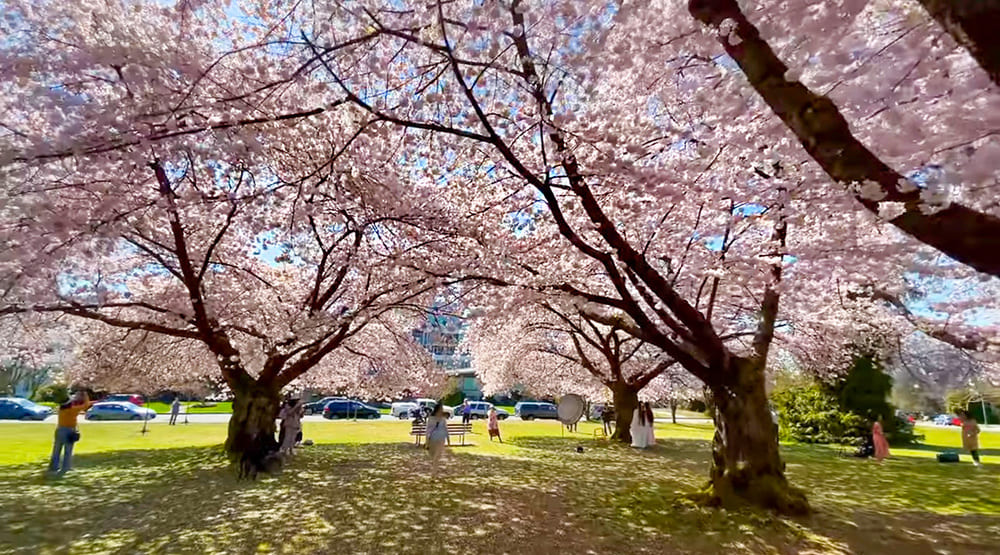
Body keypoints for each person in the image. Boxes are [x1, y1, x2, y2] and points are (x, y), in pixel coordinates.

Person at [49, 390, 93, 474]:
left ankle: (53, 467)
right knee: (68, 450)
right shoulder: (72, 410)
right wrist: (86, 396)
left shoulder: (61, 409)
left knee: (56, 450)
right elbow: (86, 405)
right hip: (69, 430)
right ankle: (66, 467)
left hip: (59, 430)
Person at [426, 403, 450, 472]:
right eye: (440, 409)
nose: (441, 411)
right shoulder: (431, 419)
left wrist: (448, 439)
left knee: (437, 457)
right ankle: (434, 468)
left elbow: (445, 429)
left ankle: (434, 473)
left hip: (441, 439)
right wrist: (427, 441)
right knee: (433, 456)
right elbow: (427, 430)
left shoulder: (443, 419)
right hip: (433, 439)